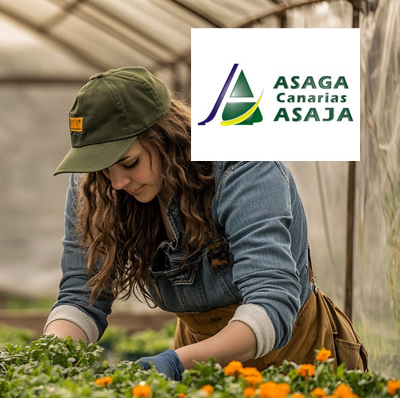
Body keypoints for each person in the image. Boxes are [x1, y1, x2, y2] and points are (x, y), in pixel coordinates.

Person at [43, 66, 367, 380]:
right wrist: (49, 358)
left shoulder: (241, 165)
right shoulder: (98, 186)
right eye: (103, 169)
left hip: (298, 360)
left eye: (130, 163)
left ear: (165, 136)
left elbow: (272, 303)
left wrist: (176, 363)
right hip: (198, 362)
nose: (116, 182)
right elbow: (82, 294)